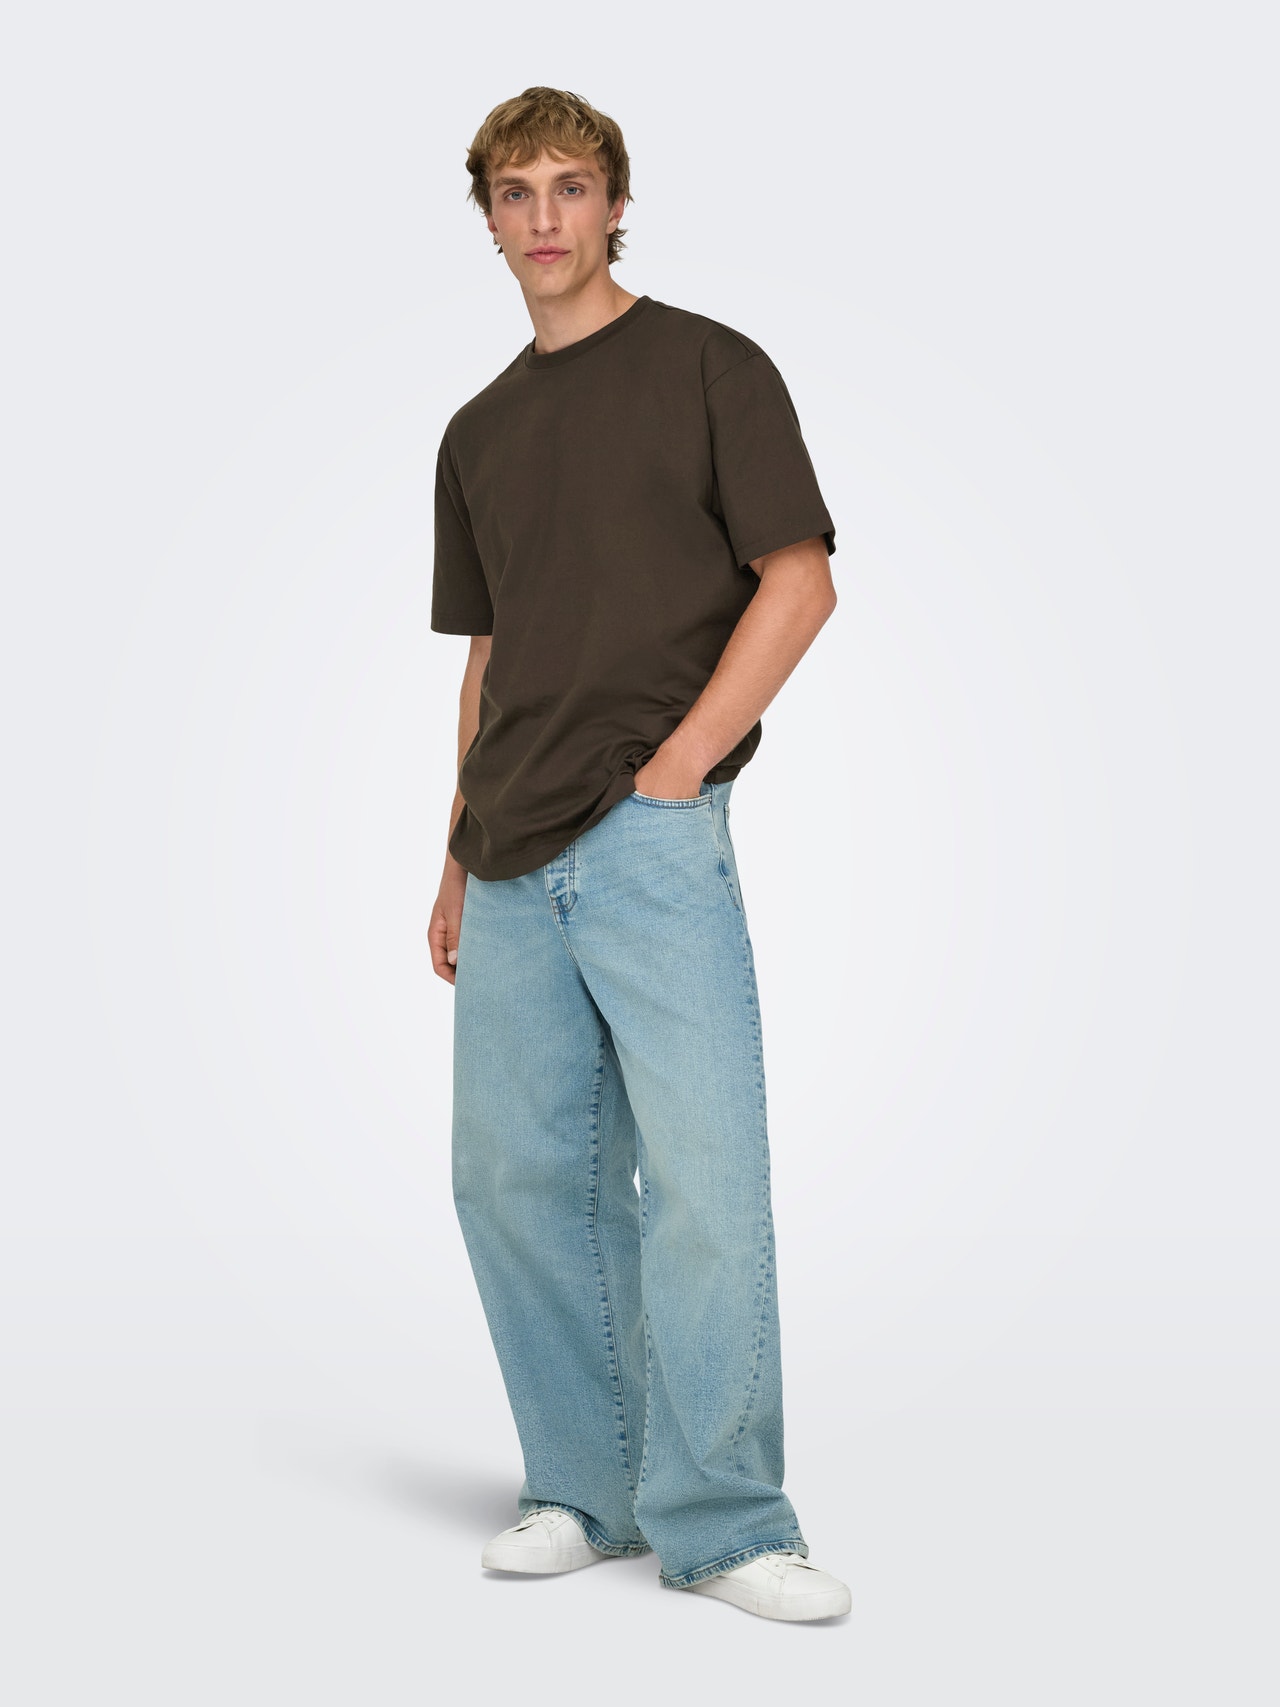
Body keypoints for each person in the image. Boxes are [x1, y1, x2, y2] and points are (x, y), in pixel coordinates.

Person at [428, 86, 850, 1624]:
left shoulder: (709, 367)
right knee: (514, 1182)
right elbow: (490, 659)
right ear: (487, 218)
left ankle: (728, 1524)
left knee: (706, 1186)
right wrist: (455, 856)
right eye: (515, 191)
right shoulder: (477, 432)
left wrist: (675, 775)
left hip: (652, 840)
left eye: (571, 185)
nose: (544, 216)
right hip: (509, 855)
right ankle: (583, 1488)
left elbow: (798, 582)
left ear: (615, 204)